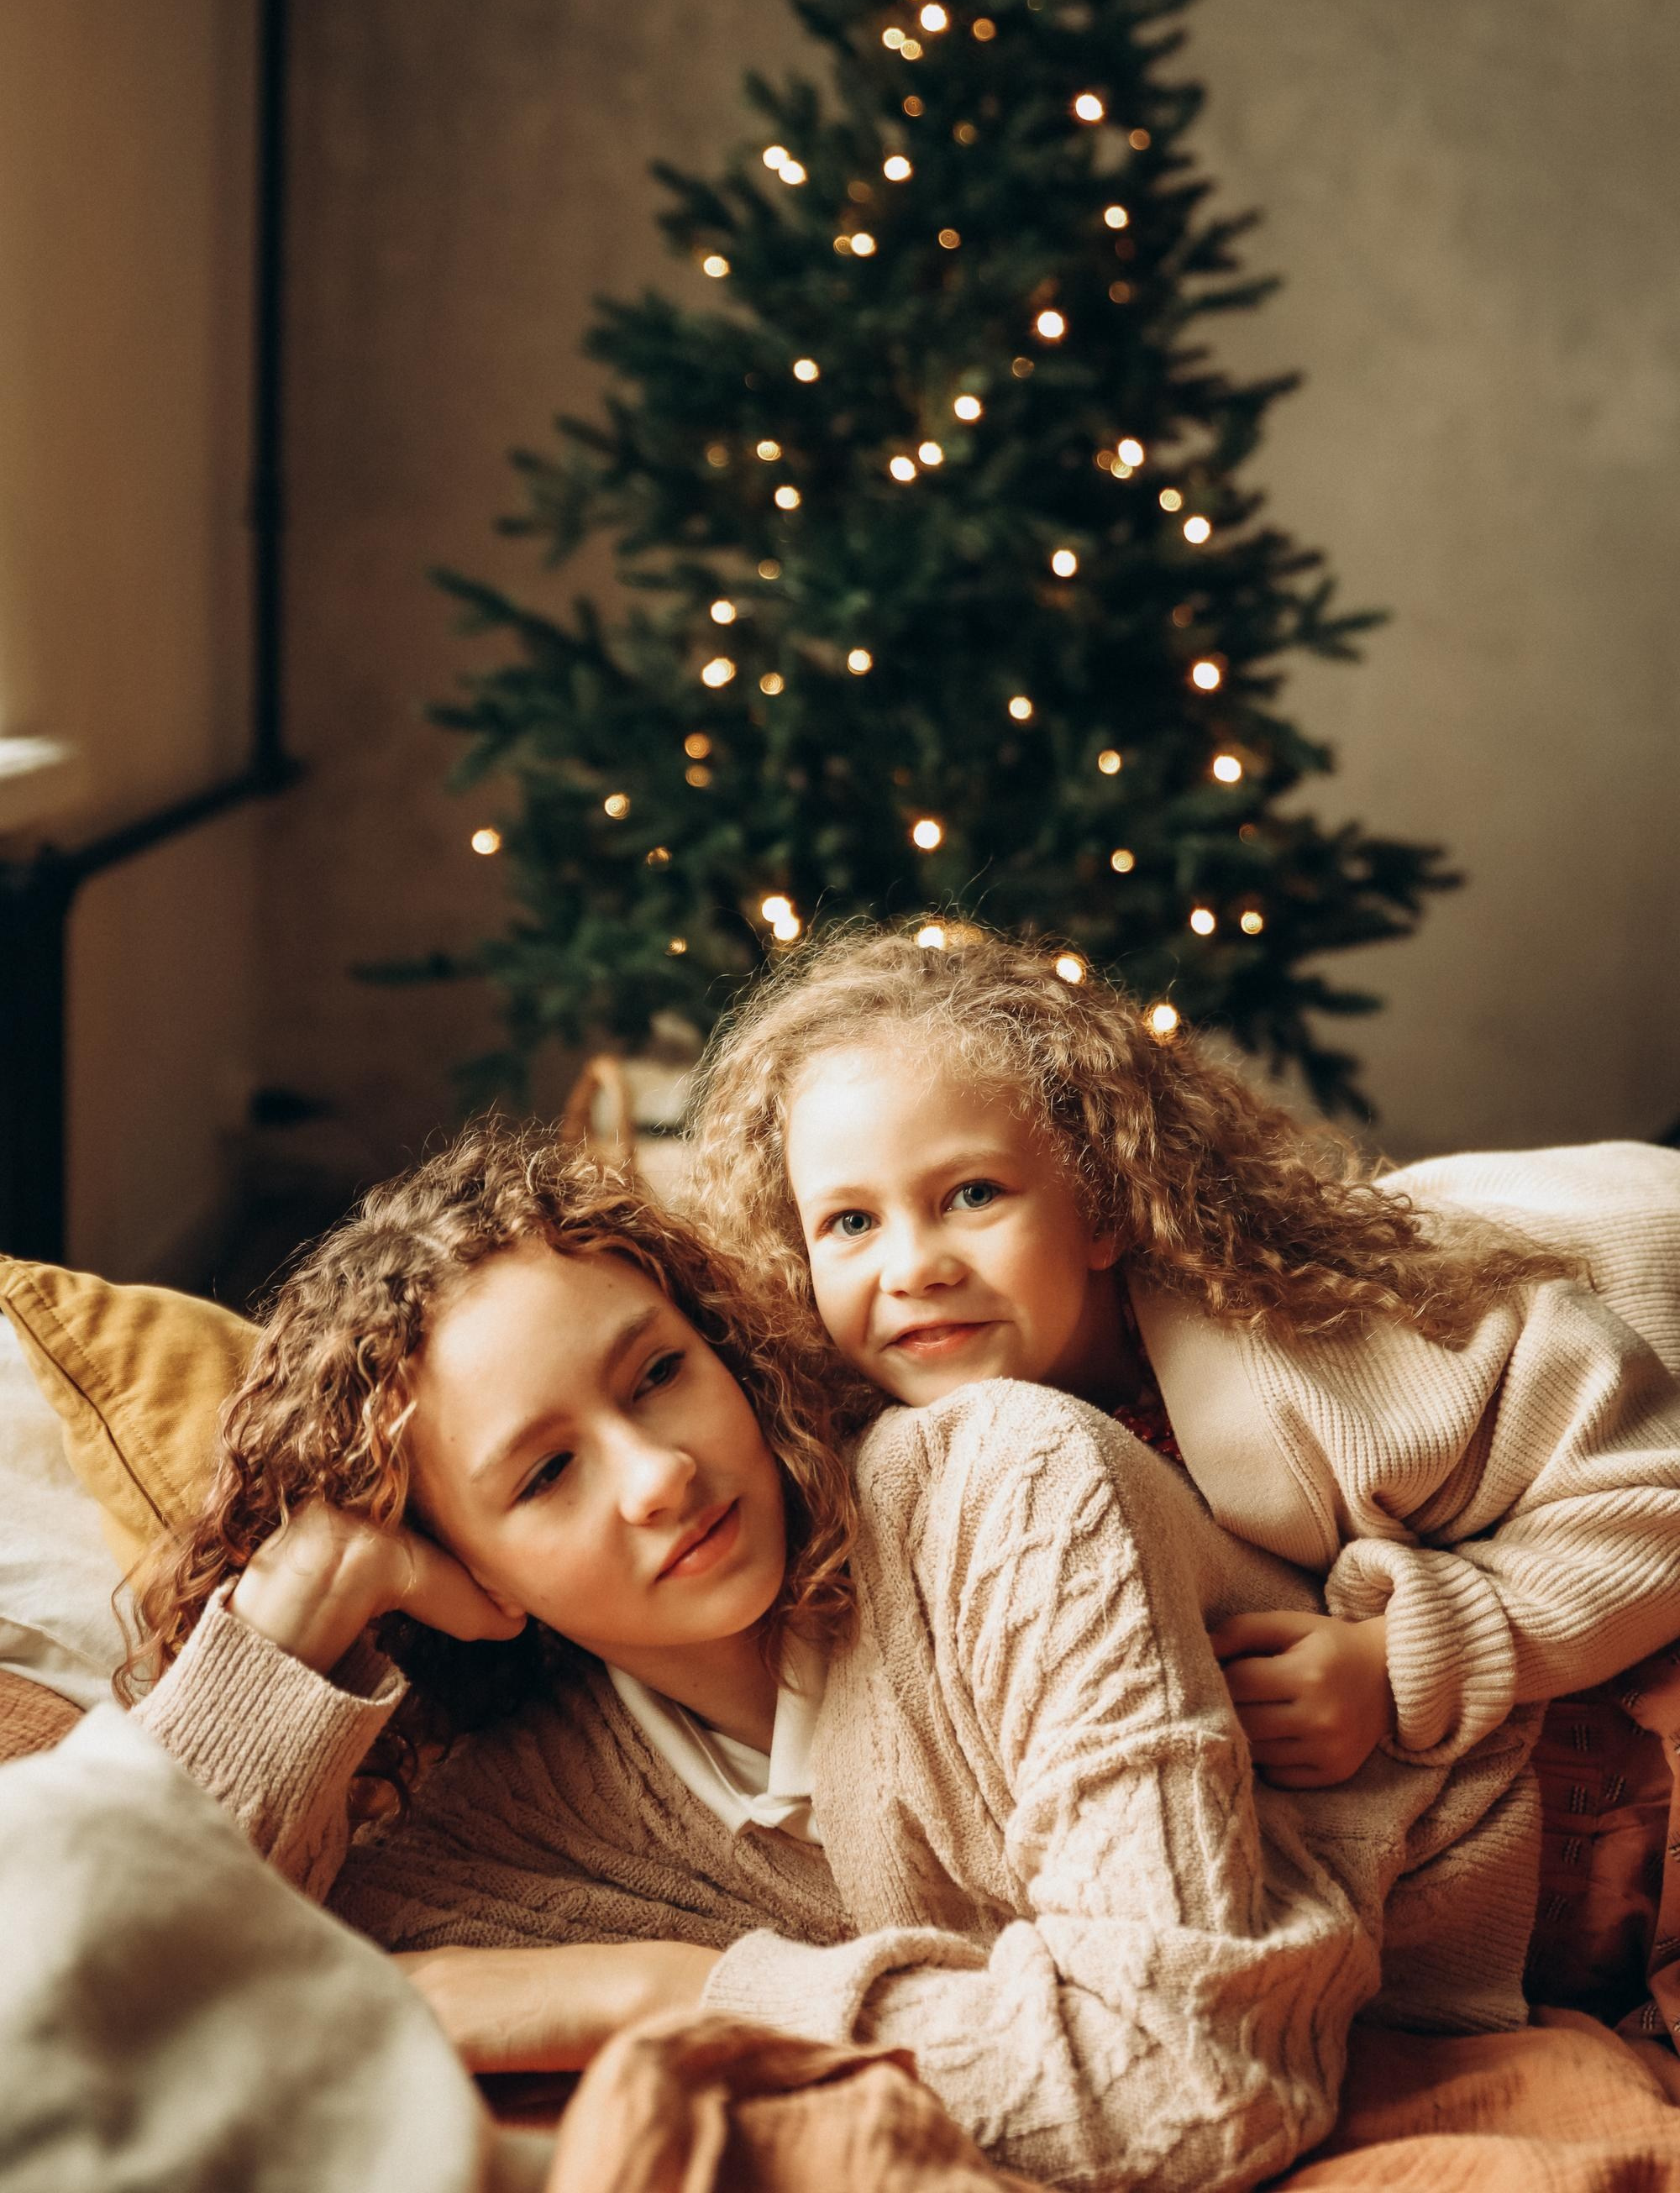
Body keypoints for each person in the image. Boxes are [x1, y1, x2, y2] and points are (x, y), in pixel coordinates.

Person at [126, 1125, 1537, 2193]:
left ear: (724, 1352)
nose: (659, 1477)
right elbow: (110, 1985)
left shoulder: (1005, 1486)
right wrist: (296, 1607)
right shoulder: (517, 1816)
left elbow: (1195, 2084)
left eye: (657, 1376)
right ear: (469, 1575)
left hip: (1607, 1845)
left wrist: (676, 1989)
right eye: (546, 1473)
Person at [686, 923, 1680, 1791]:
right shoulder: (870, 1428)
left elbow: (1660, 1502)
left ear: (1103, 1206)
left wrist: (1391, 1663)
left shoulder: (1320, 1365)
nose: (913, 1267)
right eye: (850, 1221)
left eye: (973, 1195)